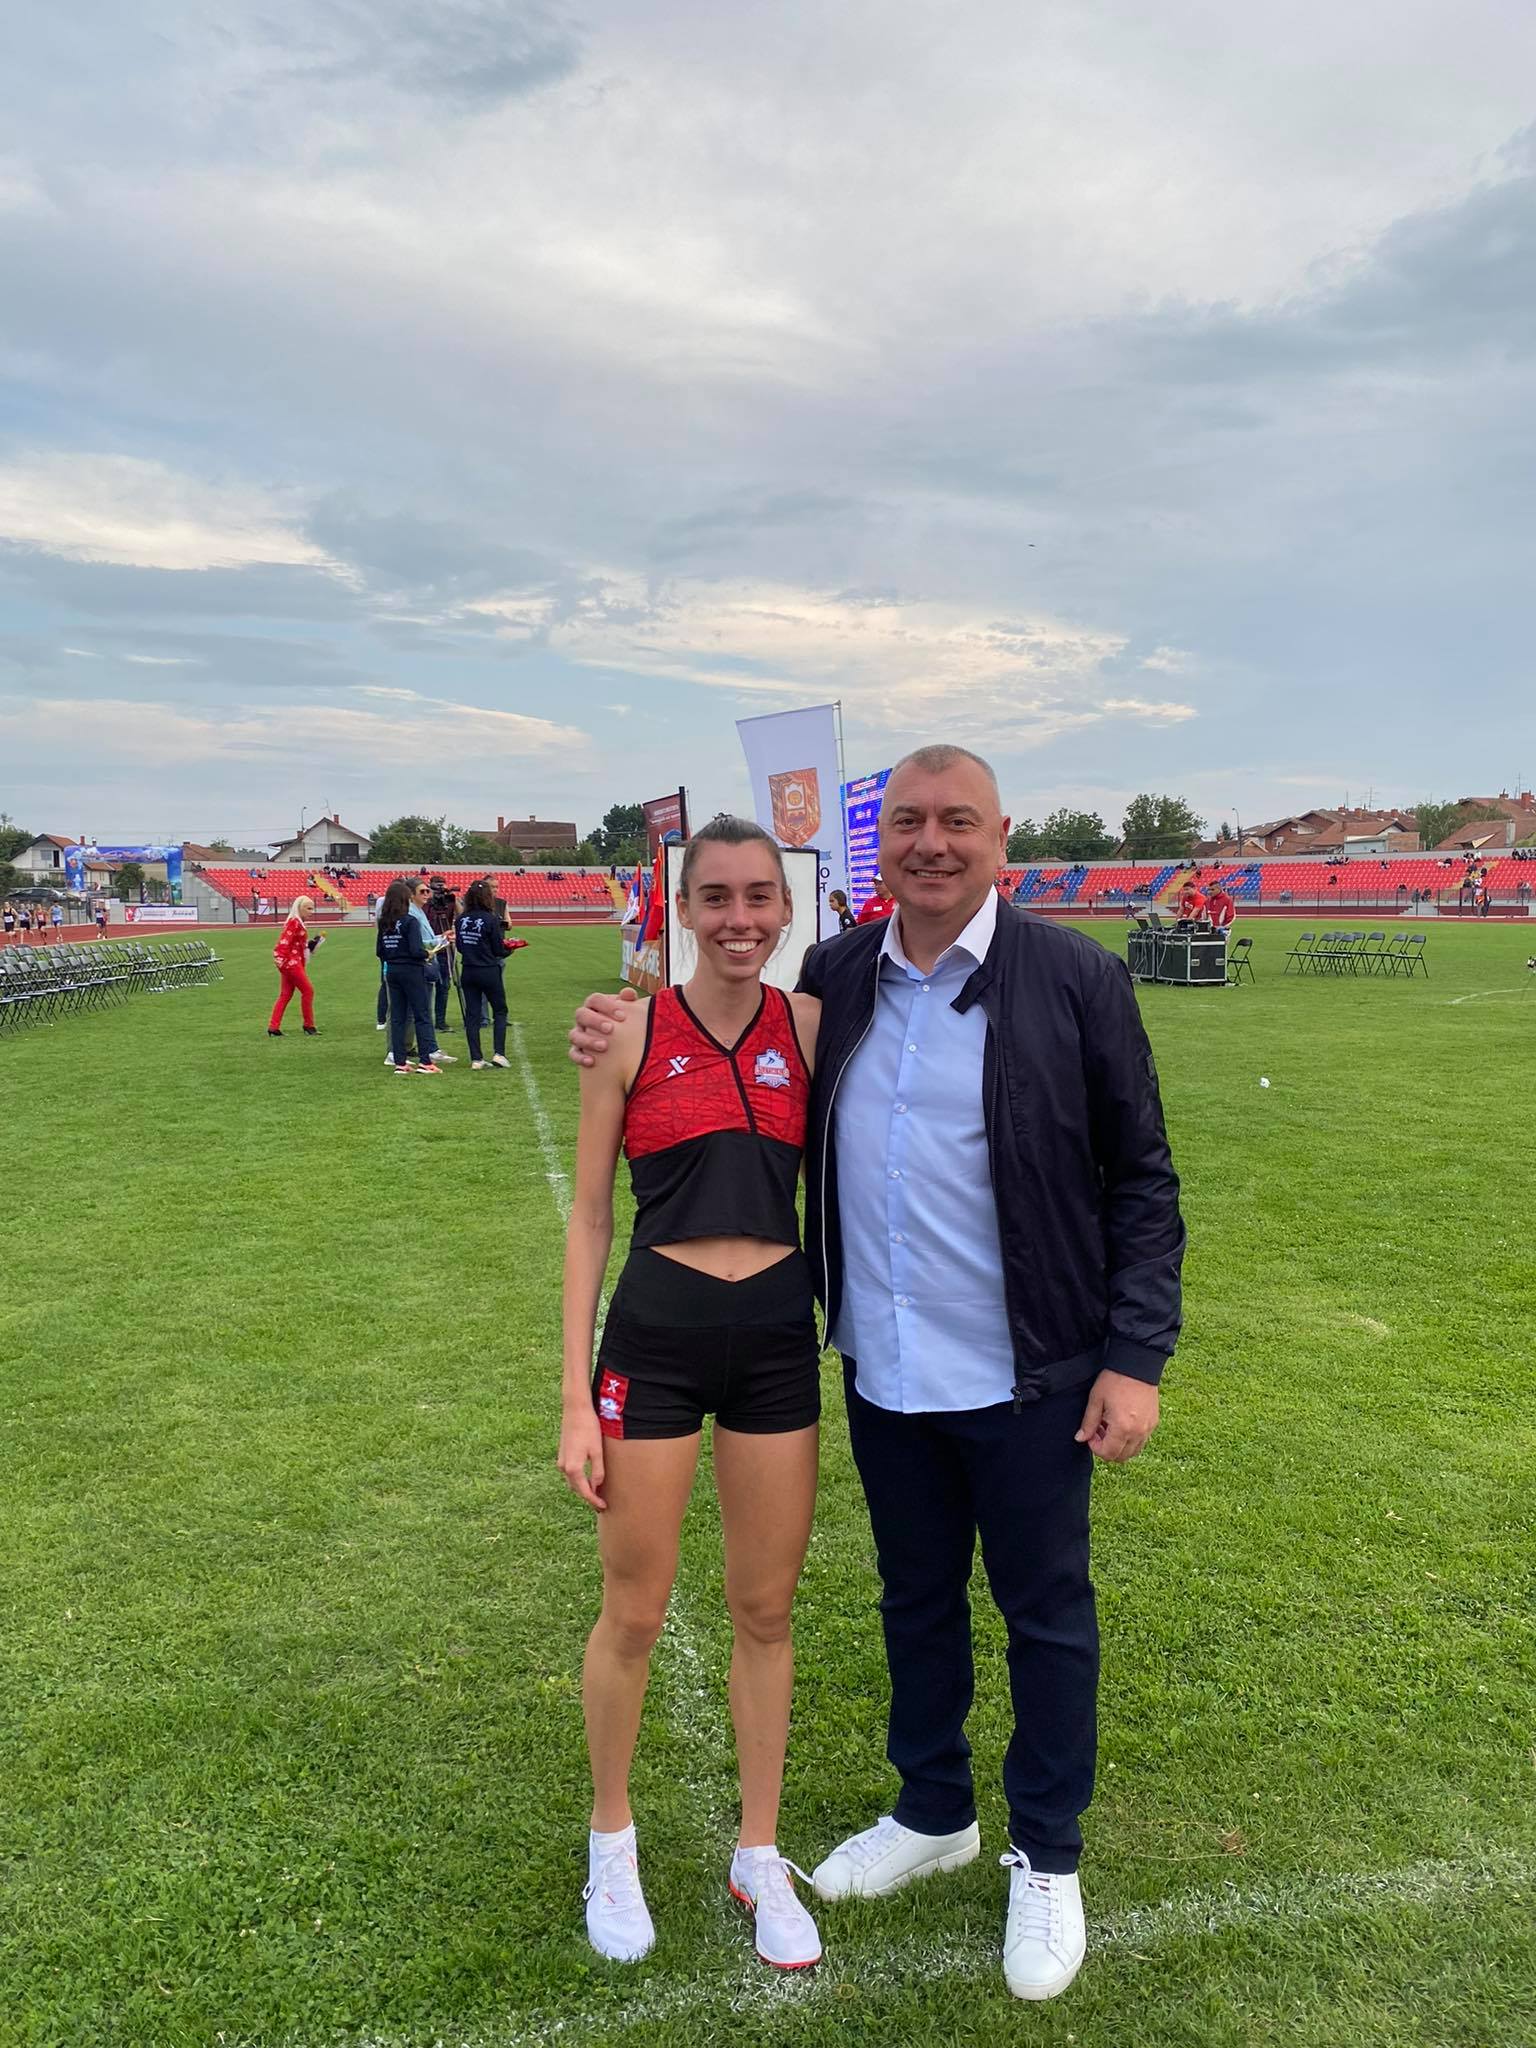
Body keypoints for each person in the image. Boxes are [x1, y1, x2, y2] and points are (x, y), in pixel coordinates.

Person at [571, 746, 1185, 2003]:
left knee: (1042, 1609)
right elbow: (692, 1034)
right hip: (882, 1362)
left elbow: (1143, 1175)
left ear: (1002, 839)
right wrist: (610, 1015)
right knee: (914, 1596)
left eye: (958, 821)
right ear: (878, 847)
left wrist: (1134, 1356)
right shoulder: (841, 977)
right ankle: (932, 1807)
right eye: (908, 820)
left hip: (1030, 1366)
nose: (931, 842)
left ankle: (1047, 1853)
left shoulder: (1071, 977)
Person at [559, 816, 825, 1973]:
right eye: (715, 896)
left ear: (786, 907)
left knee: (766, 1610)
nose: (739, 918)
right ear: (682, 909)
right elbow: (589, 1219)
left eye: (759, 895)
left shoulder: (811, 1026)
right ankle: (611, 1837)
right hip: (655, 1343)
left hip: (775, 1343)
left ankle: (758, 1851)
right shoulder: (627, 1032)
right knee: (635, 1609)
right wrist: (576, 1398)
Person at [454, 878, 528, 1069]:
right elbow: (498, 949)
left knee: (472, 1015)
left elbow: (460, 947)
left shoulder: (461, 919)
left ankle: (476, 1058)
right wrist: (510, 949)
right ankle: (499, 1053)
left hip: (468, 969)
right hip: (488, 970)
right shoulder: (491, 919)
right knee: (500, 1010)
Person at [376, 880, 441, 1076]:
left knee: (397, 1017)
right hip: (411, 971)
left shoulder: (384, 923)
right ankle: (425, 1061)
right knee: (421, 1014)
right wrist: (427, 953)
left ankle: (400, 1061)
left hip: (392, 970)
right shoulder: (410, 921)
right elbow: (415, 950)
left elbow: (380, 950)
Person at [267, 896, 321, 1037]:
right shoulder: (294, 922)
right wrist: (281, 959)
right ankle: (309, 1025)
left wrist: (309, 945)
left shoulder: (297, 923)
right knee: (308, 991)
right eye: (308, 908)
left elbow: (296, 944)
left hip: (291, 962)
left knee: (285, 994)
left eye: (312, 908)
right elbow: (284, 942)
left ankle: (273, 1026)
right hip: (292, 963)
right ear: (299, 908)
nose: (311, 912)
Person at [424, 879, 458, 1034]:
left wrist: (452, 897)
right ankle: (426, 1020)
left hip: (445, 950)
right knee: (427, 987)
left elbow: (461, 913)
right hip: (429, 950)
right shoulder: (426, 905)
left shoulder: (449, 902)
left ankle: (440, 1021)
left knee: (444, 986)